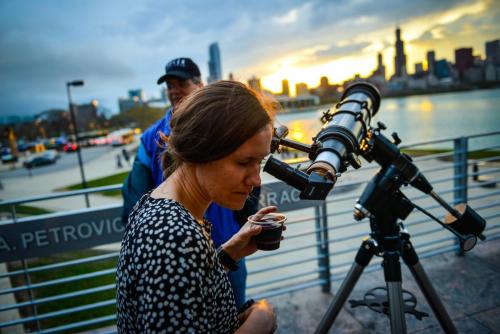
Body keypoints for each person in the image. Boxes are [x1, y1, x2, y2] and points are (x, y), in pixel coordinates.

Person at [116, 81, 279, 333]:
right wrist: (259, 324)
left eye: (259, 162)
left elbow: (188, 288)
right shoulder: (172, 237)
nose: (256, 180)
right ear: (199, 149)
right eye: (244, 161)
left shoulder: (162, 206)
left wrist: (226, 256)